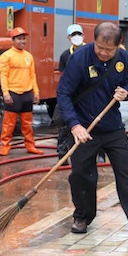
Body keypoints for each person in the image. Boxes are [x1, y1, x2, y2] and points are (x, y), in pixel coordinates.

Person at [56, 22, 128, 238]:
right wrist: (75, 125)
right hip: (84, 126)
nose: (103, 53)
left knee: (127, 173)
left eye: (108, 50)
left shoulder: (122, 58)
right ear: (94, 41)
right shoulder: (79, 59)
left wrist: (125, 91)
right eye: (99, 48)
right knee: (81, 175)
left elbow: (126, 84)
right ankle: (83, 216)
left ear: (118, 46)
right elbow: (63, 93)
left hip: (112, 126)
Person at [0, 27, 43, 156]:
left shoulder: (29, 56)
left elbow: (32, 75)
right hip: (13, 93)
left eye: (24, 38)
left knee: (27, 124)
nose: (22, 41)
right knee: (8, 124)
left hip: (27, 93)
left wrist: (36, 92)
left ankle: (30, 145)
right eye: (19, 39)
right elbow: (3, 76)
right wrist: (5, 93)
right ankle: (5, 146)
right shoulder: (6, 56)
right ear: (13, 40)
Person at [55, 23, 86, 159]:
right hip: (71, 95)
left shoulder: (90, 52)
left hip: (86, 95)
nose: (77, 37)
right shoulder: (65, 56)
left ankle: (99, 153)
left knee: (90, 124)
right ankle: (62, 153)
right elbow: (62, 77)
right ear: (69, 38)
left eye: (79, 34)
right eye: (74, 35)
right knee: (64, 124)